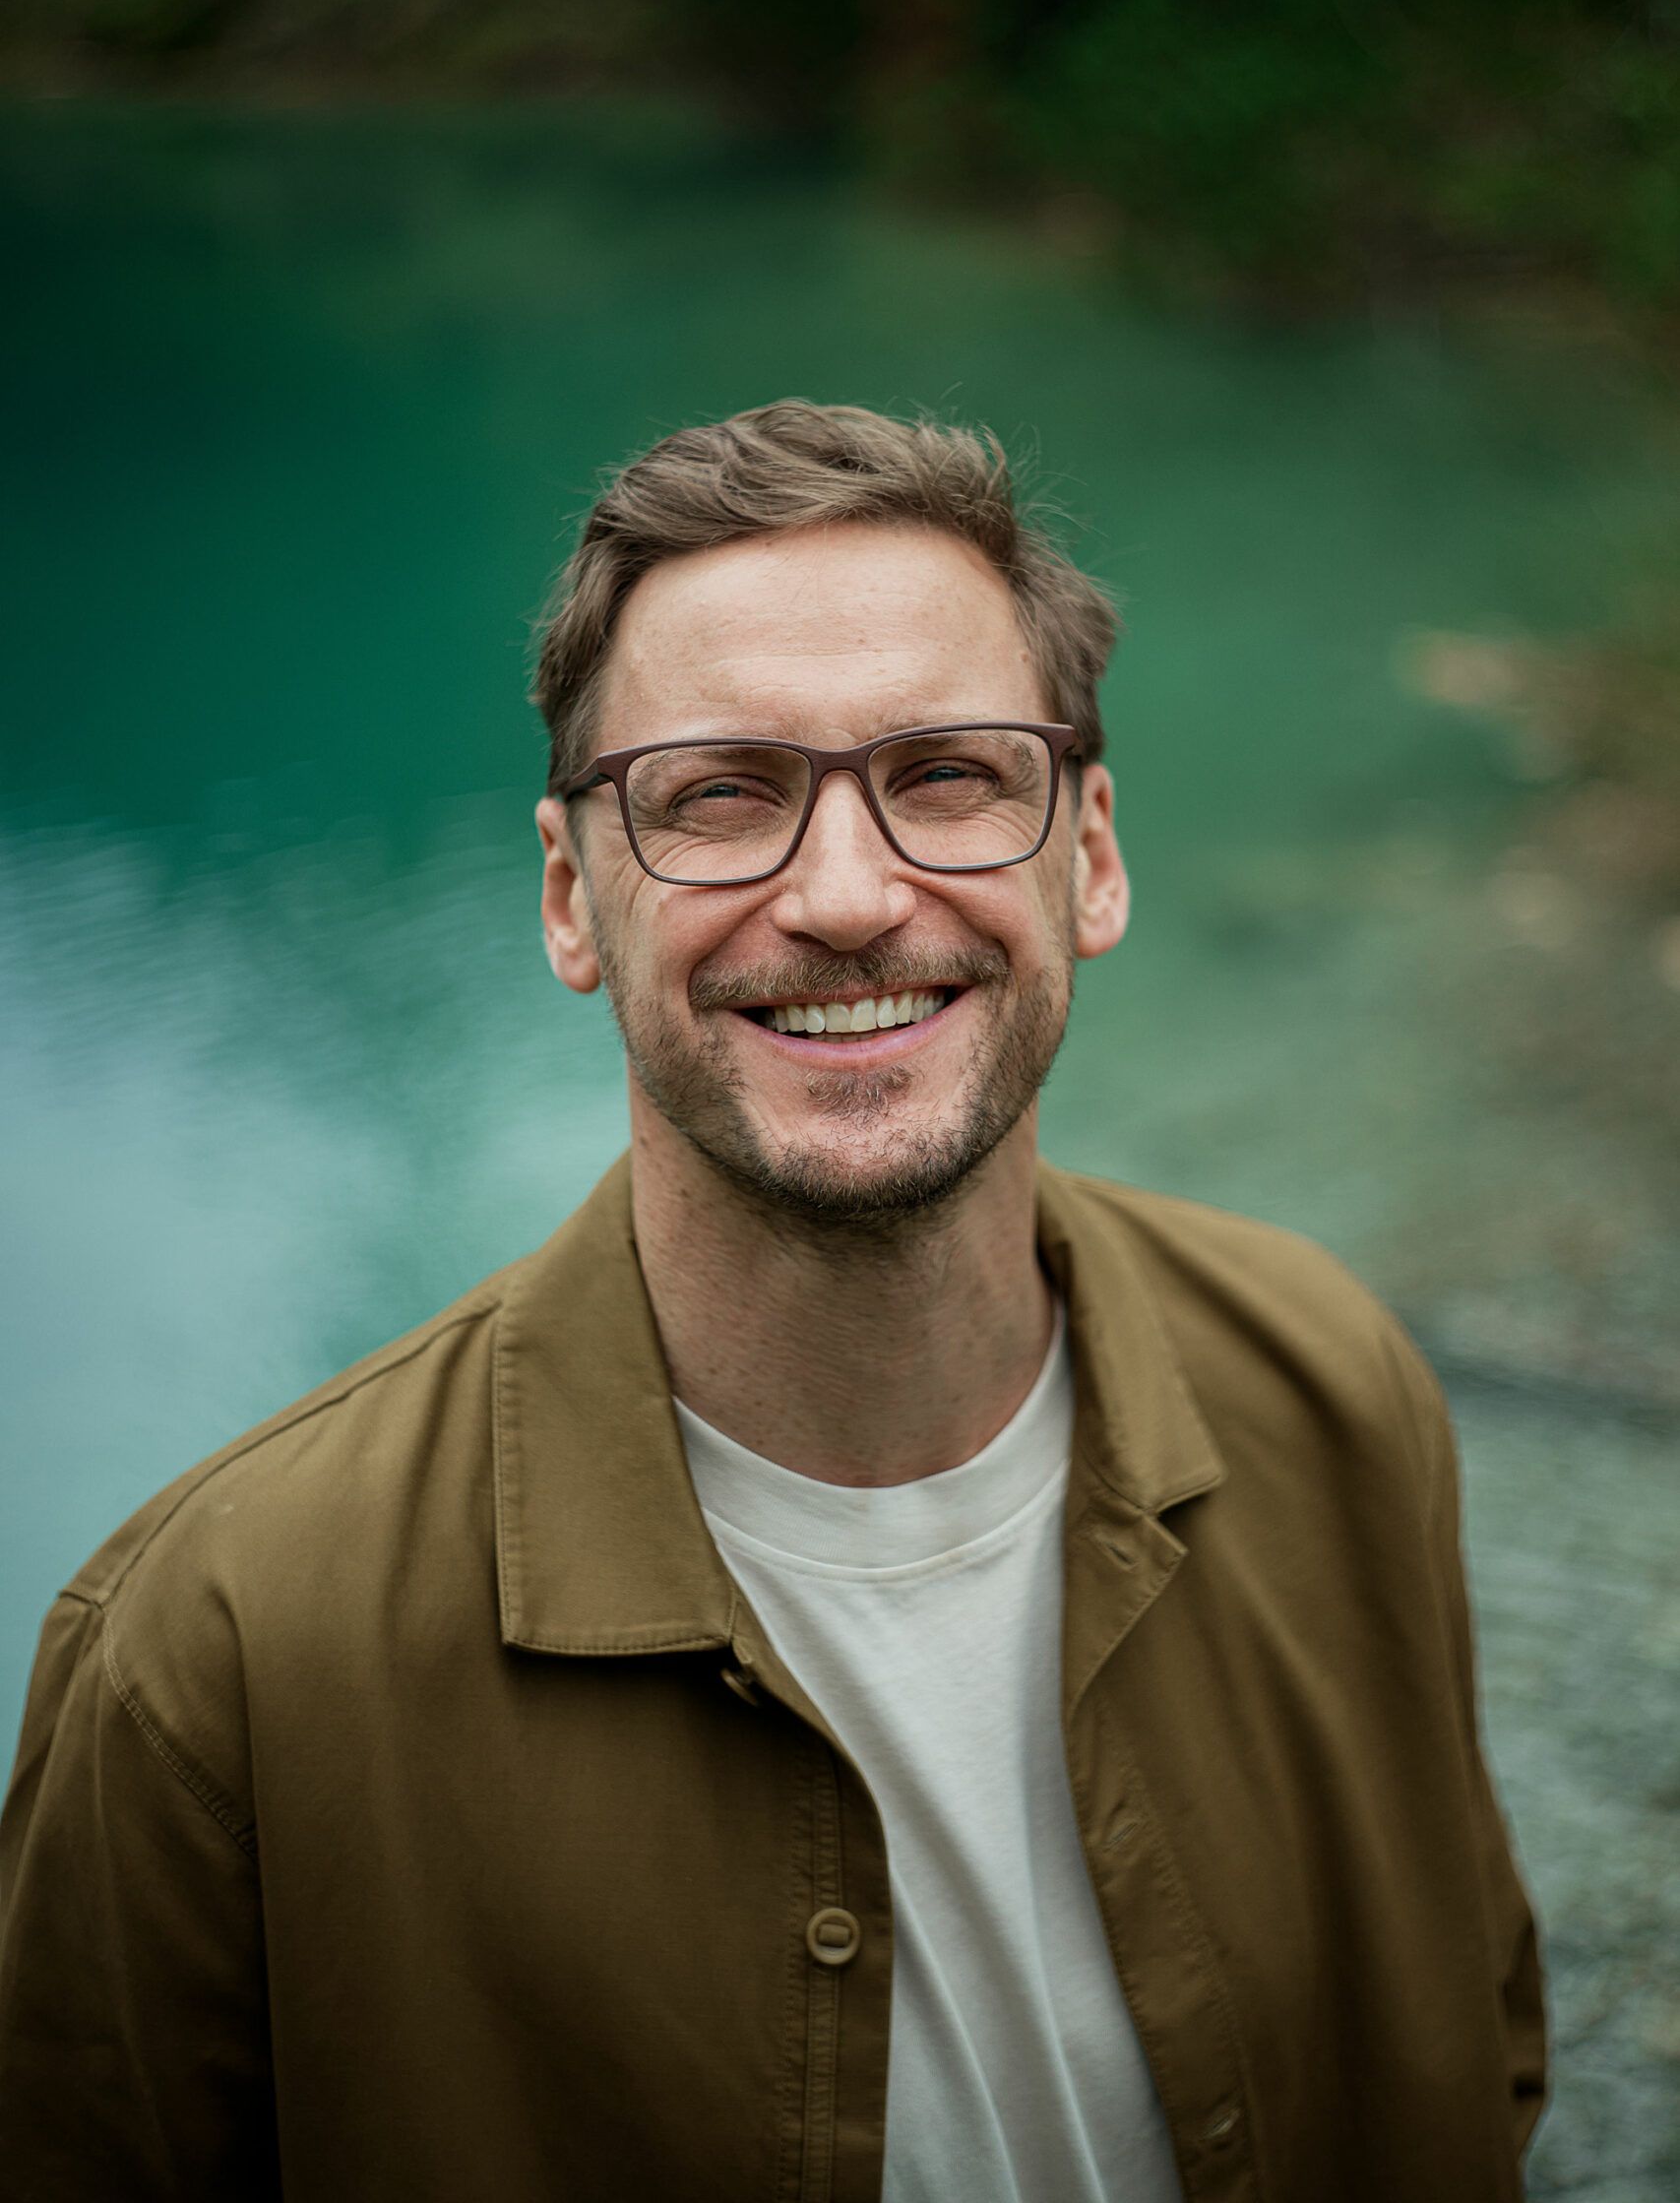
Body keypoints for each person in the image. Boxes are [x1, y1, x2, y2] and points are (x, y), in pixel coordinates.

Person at [0, 400, 1545, 2201]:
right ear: (574, 900)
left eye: (951, 774)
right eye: (720, 796)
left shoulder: (1334, 1385)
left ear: (1094, 854)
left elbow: (1473, 2057)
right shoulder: (219, 1657)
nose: (844, 896)